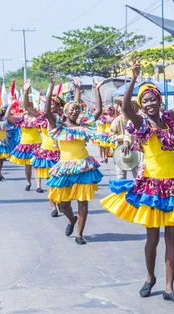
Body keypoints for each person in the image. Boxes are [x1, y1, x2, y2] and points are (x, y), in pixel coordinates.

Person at [101, 53, 174, 304]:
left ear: (159, 100)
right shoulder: (140, 122)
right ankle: (150, 277)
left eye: (152, 99)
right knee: (152, 238)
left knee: (172, 238)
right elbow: (125, 107)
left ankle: (169, 287)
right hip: (151, 186)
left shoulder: (168, 119)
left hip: (173, 185)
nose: (149, 104)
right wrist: (134, 78)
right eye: (145, 101)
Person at [44, 75, 104, 245]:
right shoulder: (58, 127)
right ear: (65, 112)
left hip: (83, 167)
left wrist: (97, 90)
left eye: (77, 109)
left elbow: (98, 111)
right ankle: (71, 219)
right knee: (63, 204)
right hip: (64, 168)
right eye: (71, 108)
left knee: (83, 202)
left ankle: (79, 234)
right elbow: (47, 111)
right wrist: (51, 88)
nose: (74, 110)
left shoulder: (84, 126)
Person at [22, 80, 62, 215]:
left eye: (52, 104)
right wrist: (26, 91)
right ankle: (53, 207)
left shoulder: (63, 119)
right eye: (48, 103)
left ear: (58, 106)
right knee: (50, 182)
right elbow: (27, 107)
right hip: (46, 153)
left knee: (61, 182)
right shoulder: (41, 117)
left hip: (61, 154)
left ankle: (61, 201)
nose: (49, 105)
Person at [6, 103, 42, 191]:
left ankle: (38, 185)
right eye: (26, 107)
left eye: (29, 106)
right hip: (25, 145)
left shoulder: (37, 118)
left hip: (36, 144)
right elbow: (7, 116)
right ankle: (28, 182)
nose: (27, 109)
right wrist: (11, 104)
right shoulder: (21, 118)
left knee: (36, 166)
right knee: (27, 166)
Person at [109, 101, 141, 180]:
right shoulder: (117, 120)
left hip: (135, 150)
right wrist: (124, 138)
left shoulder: (136, 119)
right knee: (121, 176)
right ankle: (121, 192)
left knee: (138, 176)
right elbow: (111, 136)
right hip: (121, 151)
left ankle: (138, 191)